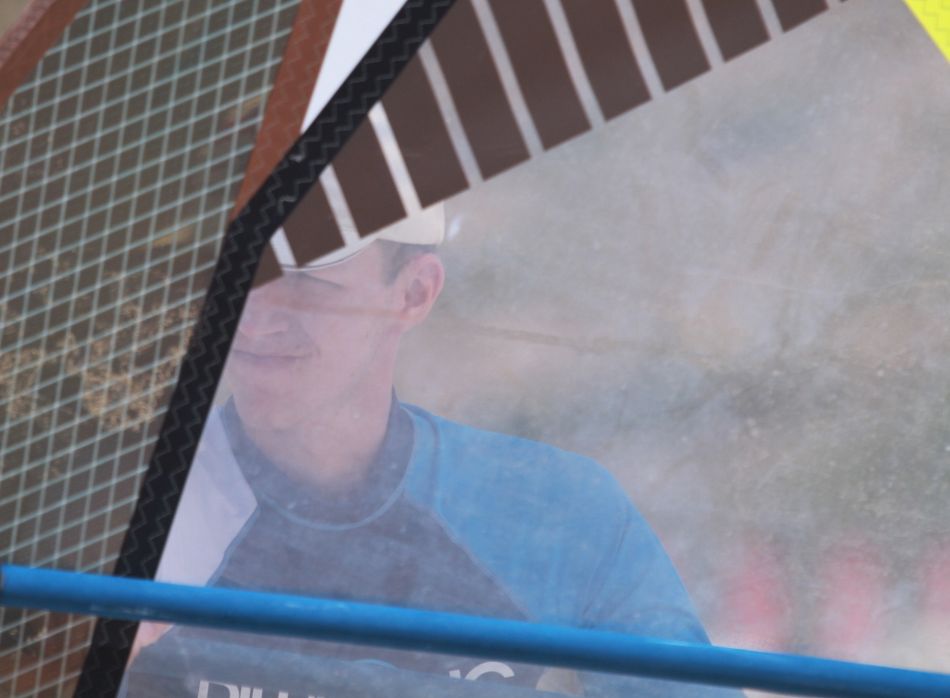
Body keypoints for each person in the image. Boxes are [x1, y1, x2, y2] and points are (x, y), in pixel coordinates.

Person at [121, 205, 736, 698]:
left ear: (414, 293)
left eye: (308, 282)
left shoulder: (554, 512)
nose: (253, 321)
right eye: (233, 271)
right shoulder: (117, 505)